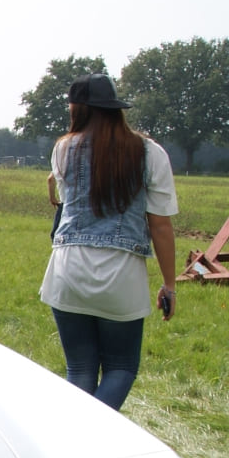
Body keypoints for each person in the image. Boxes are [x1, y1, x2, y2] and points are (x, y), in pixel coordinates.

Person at [39, 73, 177, 411]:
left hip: (68, 267)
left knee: (80, 369)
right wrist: (169, 283)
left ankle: (75, 440)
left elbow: (60, 191)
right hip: (121, 270)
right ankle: (91, 440)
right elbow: (159, 225)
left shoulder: (63, 148)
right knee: (121, 367)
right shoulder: (149, 152)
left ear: (79, 110)